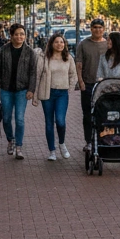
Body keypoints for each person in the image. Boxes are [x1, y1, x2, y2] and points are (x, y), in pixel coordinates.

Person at [0, 23, 37, 159]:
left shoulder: (30, 52)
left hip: (22, 90)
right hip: (6, 90)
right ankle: (11, 140)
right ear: (11, 36)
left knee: (20, 119)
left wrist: (31, 90)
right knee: (6, 118)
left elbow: (33, 73)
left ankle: (19, 146)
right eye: (16, 34)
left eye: (22, 34)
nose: (19, 36)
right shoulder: (3, 51)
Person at [33, 32, 78, 161]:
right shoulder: (45, 58)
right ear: (51, 44)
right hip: (48, 93)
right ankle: (52, 151)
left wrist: (69, 88)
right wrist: (35, 95)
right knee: (49, 122)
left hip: (62, 93)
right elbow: (37, 76)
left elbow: (73, 75)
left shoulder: (68, 58)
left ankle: (62, 144)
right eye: (57, 42)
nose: (60, 44)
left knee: (60, 121)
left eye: (62, 42)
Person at [75, 19, 109, 150]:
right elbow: (79, 64)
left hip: (104, 85)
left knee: (104, 114)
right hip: (88, 84)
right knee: (87, 114)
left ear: (104, 29)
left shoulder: (108, 44)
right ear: (91, 29)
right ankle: (89, 141)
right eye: (95, 27)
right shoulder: (83, 44)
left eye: (100, 27)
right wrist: (81, 81)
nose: (98, 30)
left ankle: (103, 139)